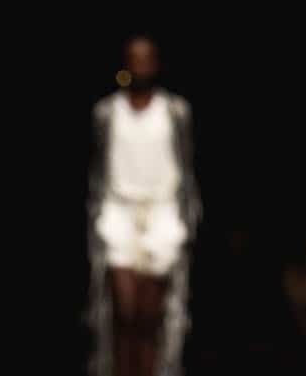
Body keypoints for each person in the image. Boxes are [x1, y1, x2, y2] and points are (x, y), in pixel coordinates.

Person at [87, 34, 203, 376]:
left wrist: (186, 213)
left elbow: (187, 164)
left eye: (146, 58)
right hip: (119, 212)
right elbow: (97, 166)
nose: (140, 65)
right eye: (134, 58)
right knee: (124, 311)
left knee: (150, 316)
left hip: (161, 212)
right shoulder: (107, 112)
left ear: (156, 63)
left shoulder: (175, 111)